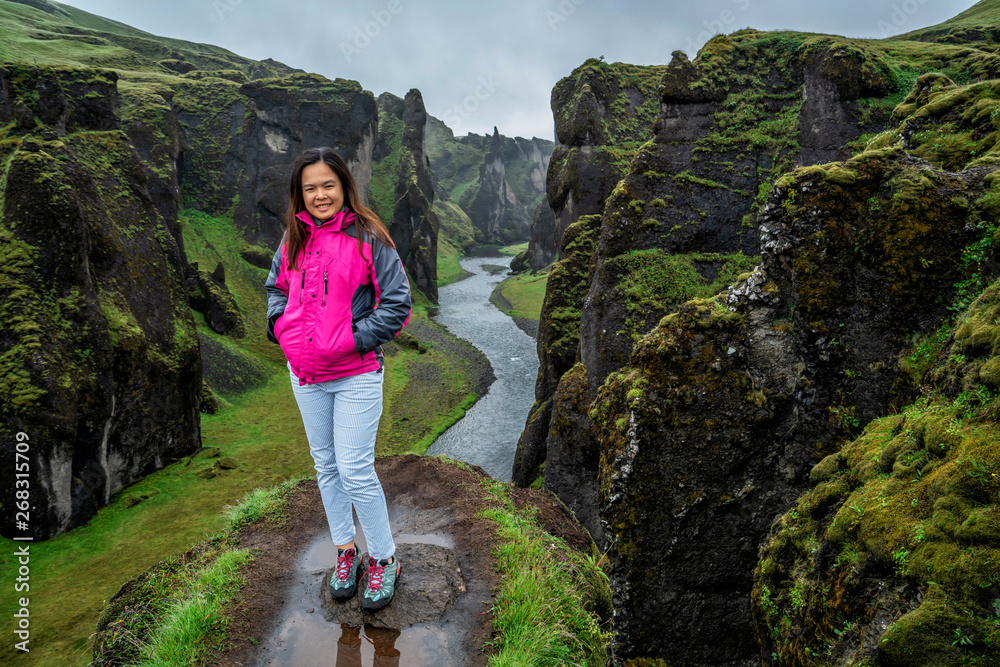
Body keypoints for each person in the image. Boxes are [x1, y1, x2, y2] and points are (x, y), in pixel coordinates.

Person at [264, 146, 411, 611]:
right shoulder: (291, 240)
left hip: (355, 374)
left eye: (328, 185)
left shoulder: (370, 237)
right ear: (299, 194)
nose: (320, 195)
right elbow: (275, 289)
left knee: (354, 469)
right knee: (325, 465)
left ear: (345, 186)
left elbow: (397, 303)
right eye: (310, 188)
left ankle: (384, 559)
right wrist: (281, 329)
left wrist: (350, 339)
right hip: (304, 374)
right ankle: (346, 551)